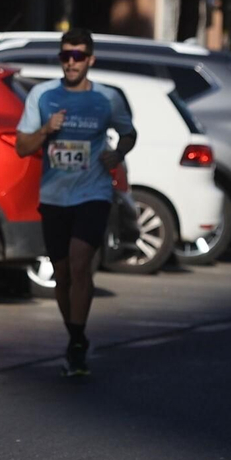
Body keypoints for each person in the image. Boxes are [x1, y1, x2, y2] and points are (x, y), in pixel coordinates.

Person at [15, 27, 137, 376]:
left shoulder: (107, 98)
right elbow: (22, 147)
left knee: (81, 264)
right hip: (54, 196)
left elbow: (129, 133)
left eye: (78, 56)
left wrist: (117, 154)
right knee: (64, 274)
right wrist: (45, 131)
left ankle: (78, 342)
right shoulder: (42, 95)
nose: (71, 63)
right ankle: (74, 335)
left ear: (90, 60)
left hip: (93, 192)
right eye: (66, 56)